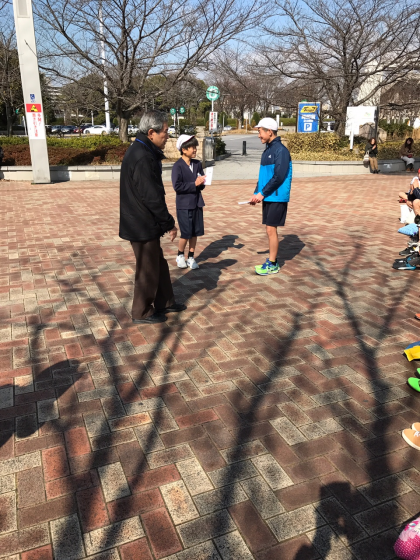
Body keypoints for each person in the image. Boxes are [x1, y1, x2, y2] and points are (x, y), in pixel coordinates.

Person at [119, 110, 186, 324]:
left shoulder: (144, 150)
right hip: (141, 223)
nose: (167, 135)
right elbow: (151, 196)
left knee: (157, 263)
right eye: (165, 131)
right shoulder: (142, 156)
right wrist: (169, 223)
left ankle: (165, 302)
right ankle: (141, 311)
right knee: (147, 268)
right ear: (151, 133)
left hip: (143, 220)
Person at [249, 117, 292, 275]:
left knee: (271, 230)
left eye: (260, 131)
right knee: (269, 230)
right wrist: (256, 193)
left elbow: (279, 177)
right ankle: (272, 261)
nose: (259, 135)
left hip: (277, 196)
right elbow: (263, 177)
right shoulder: (267, 150)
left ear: (269, 132)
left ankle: (273, 263)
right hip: (268, 195)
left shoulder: (281, 151)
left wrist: (262, 193)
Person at [171, 134, 206, 270]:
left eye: (195, 147)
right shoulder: (177, 166)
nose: (195, 149)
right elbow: (177, 186)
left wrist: (203, 182)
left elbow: (200, 185)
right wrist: (194, 184)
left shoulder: (197, 164)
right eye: (192, 147)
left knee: (195, 232)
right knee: (186, 232)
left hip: (197, 202)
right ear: (184, 149)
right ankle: (180, 255)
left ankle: (191, 257)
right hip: (184, 205)